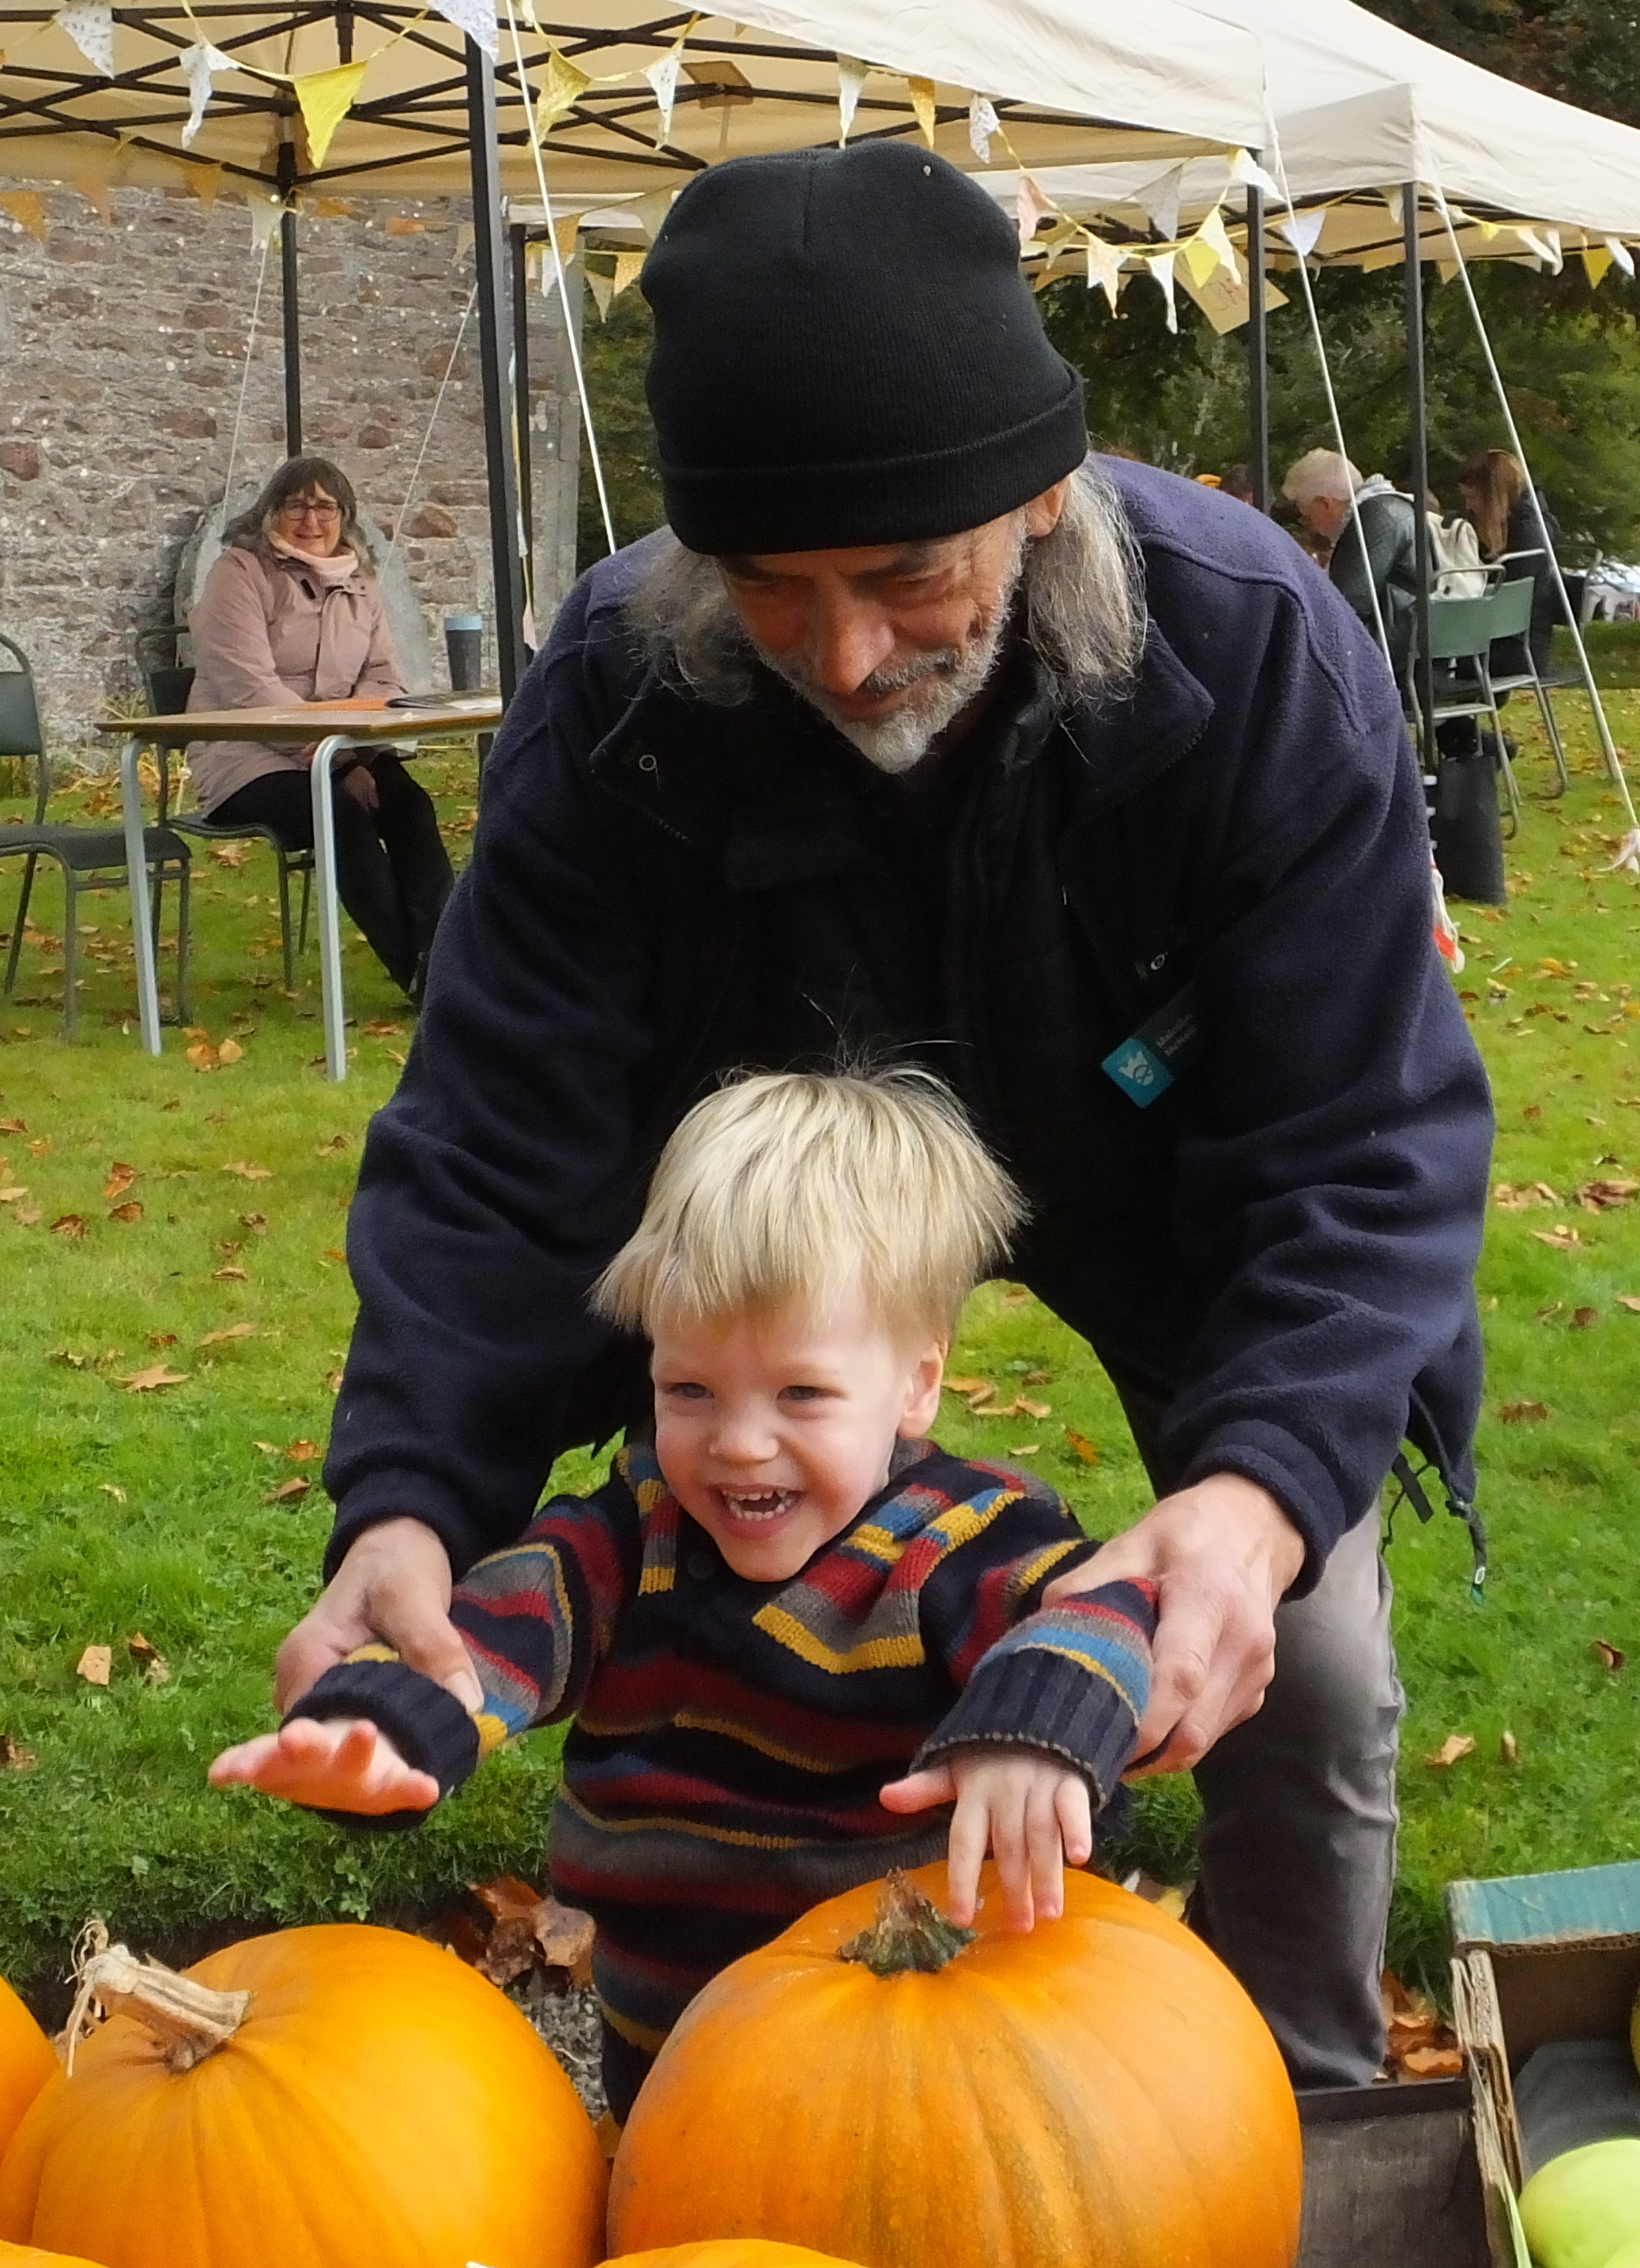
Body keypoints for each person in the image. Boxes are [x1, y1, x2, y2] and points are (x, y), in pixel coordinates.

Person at [277, 144, 1493, 2090]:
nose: (845, 661)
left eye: (908, 579)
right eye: (770, 593)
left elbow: (1362, 1142)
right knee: (700, 1583)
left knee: (1313, 1658)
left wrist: (1257, 1505)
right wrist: (411, 1502)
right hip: (779, 1195)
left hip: (1167, 1164)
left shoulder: (1258, 653)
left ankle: (1294, 2093)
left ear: (1039, 500)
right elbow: (505, 1132)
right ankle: (761, 2064)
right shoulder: (619, 684)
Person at [213, 1068, 1158, 2116]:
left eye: (800, 1392)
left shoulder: (959, 1538)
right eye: (689, 1389)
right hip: (668, 2057)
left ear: (915, 1384)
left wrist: (1036, 1728)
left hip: (913, 2067)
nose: (738, 1442)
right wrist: (389, 1728)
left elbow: (1098, 1608)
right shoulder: (632, 1529)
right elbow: (492, 1636)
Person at [185, 454, 454, 1000]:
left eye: (325, 507)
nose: (311, 520)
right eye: (296, 506)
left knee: (410, 806)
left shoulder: (361, 583)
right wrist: (334, 761)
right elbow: (249, 688)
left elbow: (383, 678)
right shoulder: (238, 573)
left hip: (341, 752)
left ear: (344, 516)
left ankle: (453, 966)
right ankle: (424, 984)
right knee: (342, 816)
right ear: (270, 513)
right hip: (245, 756)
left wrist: (352, 756)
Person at [1281, 447, 1423, 688]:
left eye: (1308, 516)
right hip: (1415, 643)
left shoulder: (1369, 518)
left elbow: (1346, 603)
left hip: (1394, 653)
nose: (1311, 526)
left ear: (1325, 503)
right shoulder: (1391, 506)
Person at [1457, 446, 1561, 676]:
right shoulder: (1525, 525)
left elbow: (1506, 599)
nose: (1469, 506)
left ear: (1495, 495)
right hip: (1517, 641)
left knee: (1434, 657)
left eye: (1473, 497)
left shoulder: (1527, 534)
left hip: (1517, 647)